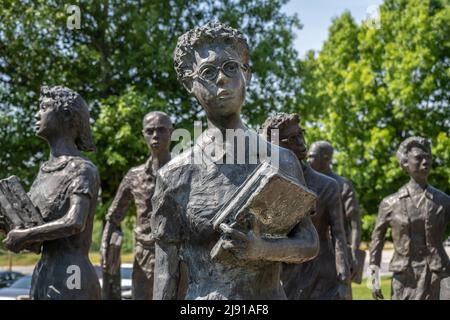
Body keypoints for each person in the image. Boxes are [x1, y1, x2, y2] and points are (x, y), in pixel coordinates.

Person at [151, 21, 319, 300]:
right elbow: (165, 272)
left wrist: (261, 249)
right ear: (189, 84)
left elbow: (309, 243)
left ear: (247, 75)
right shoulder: (175, 175)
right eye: (207, 72)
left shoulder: (281, 160)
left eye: (231, 67)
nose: (221, 79)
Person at [3, 85, 100, 300]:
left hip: (70, 275)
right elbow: (32, 225)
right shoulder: (44, 171)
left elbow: (75, 222)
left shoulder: (82, 169)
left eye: (44, 107)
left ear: (66, 116)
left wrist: (26, 235)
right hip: (43, 274)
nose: (37, 114)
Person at [262, 113, 351, 300]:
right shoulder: (267, 186)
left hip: (322, 274)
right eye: (292, 139)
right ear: (275, 146)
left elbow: (339, 236)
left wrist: (344, 279)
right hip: (283, 277)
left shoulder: (327, 185)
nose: (301, 142)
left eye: (301, 134)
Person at [100, 111, 174, 300]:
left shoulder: (184, 172)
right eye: (150, 131)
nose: (155, 135)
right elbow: (113, 216)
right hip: (143, 257)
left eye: (161, 130)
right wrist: (105, 247)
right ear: (143, 134)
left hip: (176, 256)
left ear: (171, 132)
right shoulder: (135, 176)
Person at [369, 137, 450, 300]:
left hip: (438, 274)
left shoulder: (444, 201)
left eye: (428, 157)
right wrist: (374, 279)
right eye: (419, 158)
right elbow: (376, 242)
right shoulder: (390, 203)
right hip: (404, 277)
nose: (425, 161)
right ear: (405, 163)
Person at [307, 141, 362, 281]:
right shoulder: (306, 184)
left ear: (326, 158)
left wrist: (354, 253)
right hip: (311, 251)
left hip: (339, 252)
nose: (308, 160)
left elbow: (355, 223)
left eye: (312, 156)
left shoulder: (343, 185)